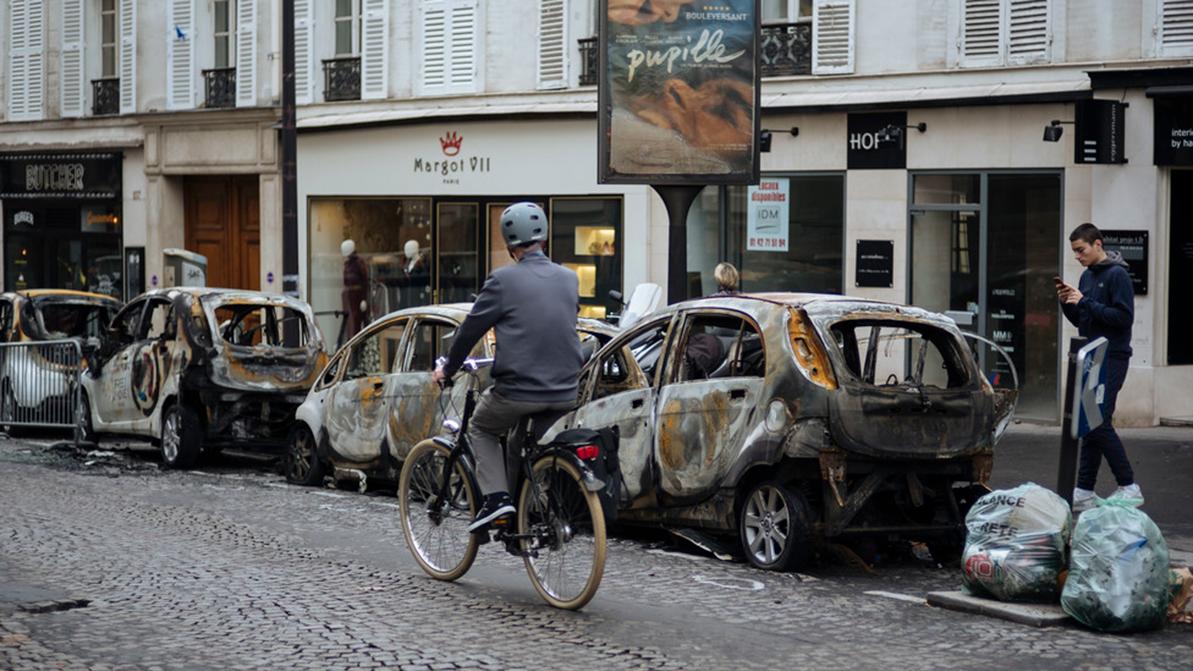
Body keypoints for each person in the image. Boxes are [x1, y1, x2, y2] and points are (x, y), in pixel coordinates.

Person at [432, 202, 584, 532]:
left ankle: (498, 501)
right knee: (516, 442)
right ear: (543, 237)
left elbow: (470, 330)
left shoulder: (502, 280)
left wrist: (448, 368)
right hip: (565, 391)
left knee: (482, 428)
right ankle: (521, 519)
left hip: (520, 390)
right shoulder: (569, 279)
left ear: (509, 243)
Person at [1056, 223, 1141, 511]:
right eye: (1075, 252)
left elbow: (1122, 318)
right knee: (1089, 424)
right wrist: (1067, 302)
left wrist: (1086, 301)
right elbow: (1083, 319)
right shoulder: (1086, 276)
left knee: (1098, 421)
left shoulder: (1118, 275)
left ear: (1098, 244)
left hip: (1113, 356)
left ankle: (1129, 485)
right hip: (1091, 355)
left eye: (1081, 250)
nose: (1077, 256)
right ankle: (1084, 491)